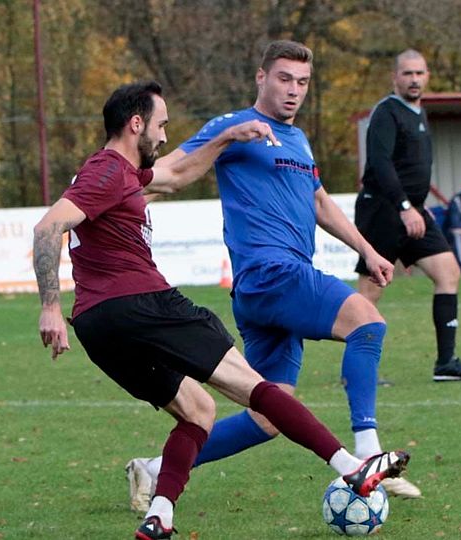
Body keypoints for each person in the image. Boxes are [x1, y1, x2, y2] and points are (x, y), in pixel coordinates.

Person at [32, 80, 408, 539]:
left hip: (97, 325)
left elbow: (178, 175)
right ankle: (352, 466)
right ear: (136, 124)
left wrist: (227, 137)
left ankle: (160, 514)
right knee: (256, 388)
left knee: (198, 410)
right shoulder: (107, 170)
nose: (165, 136)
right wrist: (49, 306)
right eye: (161, 125)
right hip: (143, 303)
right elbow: (48, 228)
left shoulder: (127, 176)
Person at [125, 40, 421, 505]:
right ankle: (367, 452)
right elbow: (171, 169)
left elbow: (319, 202)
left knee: (267, 417)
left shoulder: (298, 141)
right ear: (261, 77)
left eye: (302, 82)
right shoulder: (233, 127)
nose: (294, 90)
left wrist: (368, 250)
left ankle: (153, 469)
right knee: (367, 322)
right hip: (270, 273)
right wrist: (111, 196)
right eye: (284, 78)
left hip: (269, 289)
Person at [353, 48, 461, 385]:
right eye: (407, 73)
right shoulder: (386, 112)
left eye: (419, 73)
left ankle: (446, 363)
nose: (414, 79)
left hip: (413, 209)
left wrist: (417, 205)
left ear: (427, 76)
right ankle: (357, 370)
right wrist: (403, 206)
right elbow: (380, 163)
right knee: (372, 289)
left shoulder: (419, 112)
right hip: (383, 210)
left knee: (448, 271)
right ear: (395, 77)